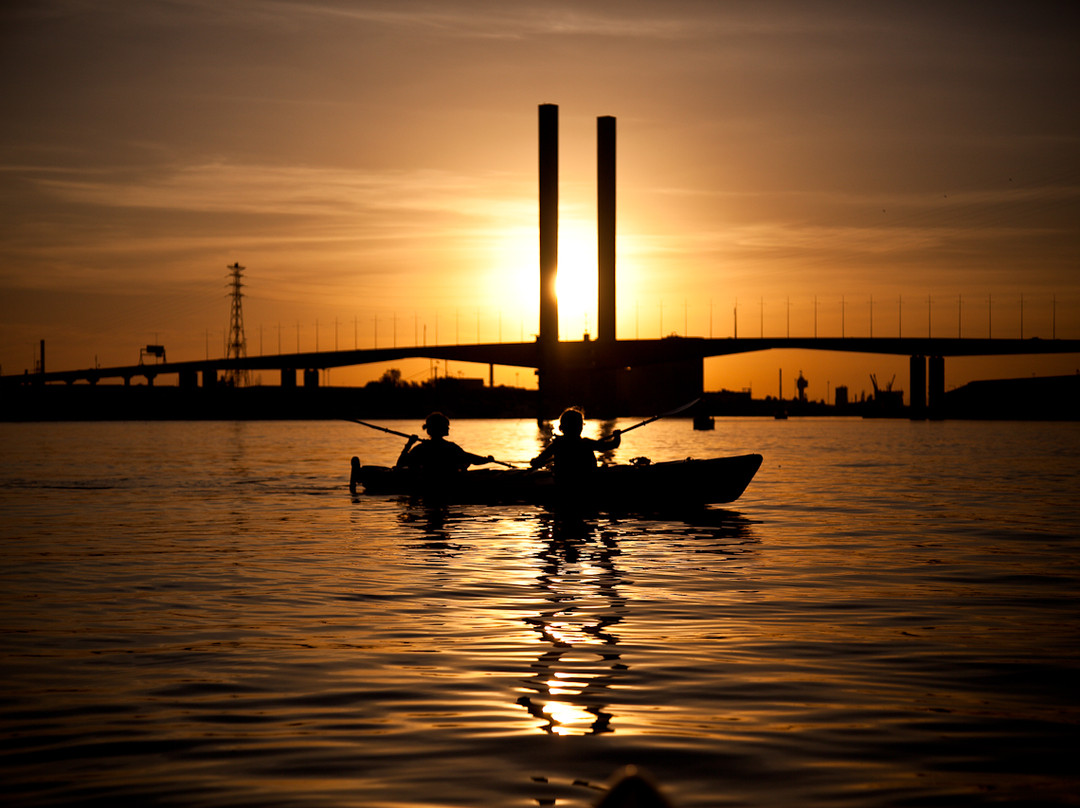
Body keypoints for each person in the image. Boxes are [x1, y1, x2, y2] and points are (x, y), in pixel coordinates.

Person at [529, 407, 621, 484]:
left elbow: (537, 461)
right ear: (580, 427)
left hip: (563, 481)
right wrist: (617, 436)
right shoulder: (587, 443)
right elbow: (613, 445)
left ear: (561, 428)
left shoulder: (556, 444)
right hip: (587, 480)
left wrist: (535, 462)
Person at [395, 412, 495, 477]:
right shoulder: (451, 447)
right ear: (439, 428)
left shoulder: (421, 448)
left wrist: (409, 444)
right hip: (447, 482)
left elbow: (400, 464)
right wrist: (487, 460)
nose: (448, 428)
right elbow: (470, 459)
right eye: (446, 426)